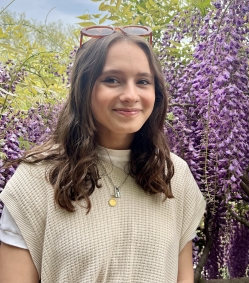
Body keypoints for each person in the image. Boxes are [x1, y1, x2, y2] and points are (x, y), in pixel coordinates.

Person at [0, 26, 206, 283]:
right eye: (112, 79)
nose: (131, 95)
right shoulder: (36, 177)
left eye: (143, 81)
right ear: (84, 88)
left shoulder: (174, 175)